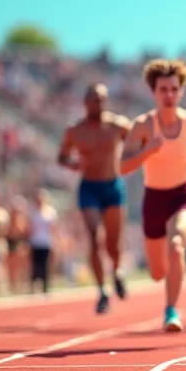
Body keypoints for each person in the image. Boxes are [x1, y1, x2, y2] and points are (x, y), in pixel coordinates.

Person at [121, 58, 186, 332]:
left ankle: (171, 311)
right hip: (154, 200)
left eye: (174, 89)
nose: (169, 95)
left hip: (183, 195)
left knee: (177, 247)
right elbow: (122, 166)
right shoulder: (142, 126)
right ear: (153, 92)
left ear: (181, 91)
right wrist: (146, 152)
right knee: (156, 272)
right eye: (163, 89)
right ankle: (168, 282)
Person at [57, 83, 132, 313]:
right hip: (89, 187)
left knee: (113, 244)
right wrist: (73, 164)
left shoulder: (118, 125)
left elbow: (139, 140)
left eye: (101, 99)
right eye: (93, 100)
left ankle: (117, 272)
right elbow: (61, 157)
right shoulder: (75, 130)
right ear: (85, 103)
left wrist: (133, 158)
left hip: (113, 186)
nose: (97, 104)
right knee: (93, 238)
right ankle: (102, 290)